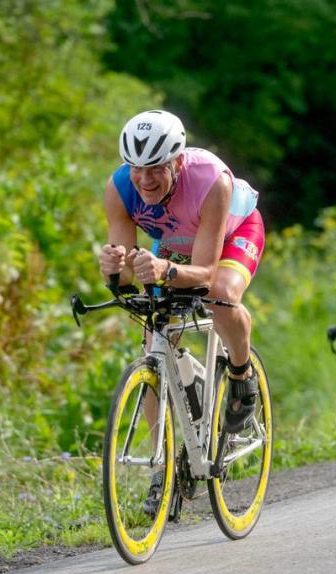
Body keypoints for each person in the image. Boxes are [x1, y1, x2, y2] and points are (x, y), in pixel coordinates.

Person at [98, 109, 266, 514]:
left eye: (156, 168)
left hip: (231, 233)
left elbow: (206, 271)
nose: (145, 179)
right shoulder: (120, 188)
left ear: (178, 160)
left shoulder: (212, 180)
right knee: (153, 332)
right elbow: (125, 272)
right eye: (136, 168)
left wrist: (166, 269)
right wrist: (115, 272)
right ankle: (166, 466)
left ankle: (242, 378)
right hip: (175, 242)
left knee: (219, 295)